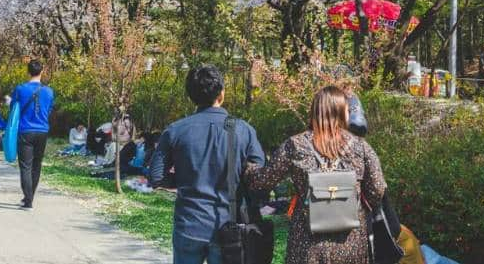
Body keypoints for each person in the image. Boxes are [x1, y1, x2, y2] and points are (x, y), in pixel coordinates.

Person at [245, 86, 387, 264]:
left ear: (315, 112)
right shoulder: (361, 147)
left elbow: (263, 181)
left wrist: (248, 167)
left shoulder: (295, 145)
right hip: (351, 243)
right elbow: (378, 190)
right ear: (342, 112)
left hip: (307, 244)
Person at [149, 64, 264, 264]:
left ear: (191, 96)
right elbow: (258, 177)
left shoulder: (175, 130)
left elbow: (156, 176)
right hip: (227, 225)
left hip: (189, 223)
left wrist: (187, 179)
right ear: (221, 93)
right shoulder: (243, 130)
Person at [10, 59, 55, 210]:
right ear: (42, 71)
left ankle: (28, 200)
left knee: (25, 166)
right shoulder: (49, 91)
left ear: (28, 71)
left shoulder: (20, 89)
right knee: (37, 165)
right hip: (42, 130)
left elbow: (13, 108)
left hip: (25, 130)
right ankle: (29, 197)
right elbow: (49, 109)